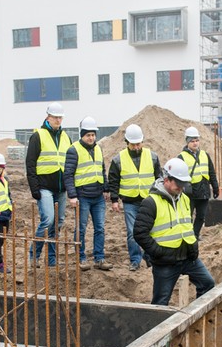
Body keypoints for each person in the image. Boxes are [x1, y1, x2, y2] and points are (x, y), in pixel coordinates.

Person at [134, 158, 215, 306]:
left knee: (208, 284)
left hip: (188, 257)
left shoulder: (184, 198)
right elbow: (140, 234)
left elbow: (186, 225)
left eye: (184, 184)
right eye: (178, 183)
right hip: (165, 262)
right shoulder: (151, 202)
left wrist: (193, 245)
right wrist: (159, 252)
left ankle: (194, 319)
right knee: (160, 303)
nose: (182, 187)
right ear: (166, 179)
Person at [108, 123, 160, 271]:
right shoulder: (118, 159)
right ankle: (135, 260)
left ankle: (150, 258)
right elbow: (113, 180)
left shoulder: (152, 156)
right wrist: (114, 200)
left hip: (149, 200)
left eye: (138, 144)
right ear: (127, 142)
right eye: (133, 144)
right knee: (132, 232)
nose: (136, 147)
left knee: (150, 230)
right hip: (130, 201)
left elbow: (159, 178)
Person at [25, 102, 71, 267]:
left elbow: (70, 163)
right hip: (44, 187)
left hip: (61, 188)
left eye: (60, 117)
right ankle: (34, 254)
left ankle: (51, 259)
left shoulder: (66, 137)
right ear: (48, 117)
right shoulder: (38, 136)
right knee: (48, 219)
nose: (58, 120)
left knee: (58, 223)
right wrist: (34, 188)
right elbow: (30, 163)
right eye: (55, 117)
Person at [65, 116, 113, 271]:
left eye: (93, 135)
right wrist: (72, 196)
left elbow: (101, 169)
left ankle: (99, 258)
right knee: (81, 228)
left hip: (98, 196)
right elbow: (68, 175)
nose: (91, 138)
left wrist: (106, 188)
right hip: (82, 196)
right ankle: (81, 258)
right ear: (82, 135)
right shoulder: (73, 150)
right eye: (88, 135)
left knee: (100, 228)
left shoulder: (98, 148)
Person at [179, 126, 220, 237]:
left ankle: (195, 235)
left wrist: (216, 188)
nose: (195, 143)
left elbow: (211, 172)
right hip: (189, 193)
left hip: (204, 191)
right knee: (188, 217)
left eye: (197, 140)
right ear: (187, 142)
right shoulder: (181, 157)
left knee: (201, 216)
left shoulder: (204, 155)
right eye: (192, 141)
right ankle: (188, 236)